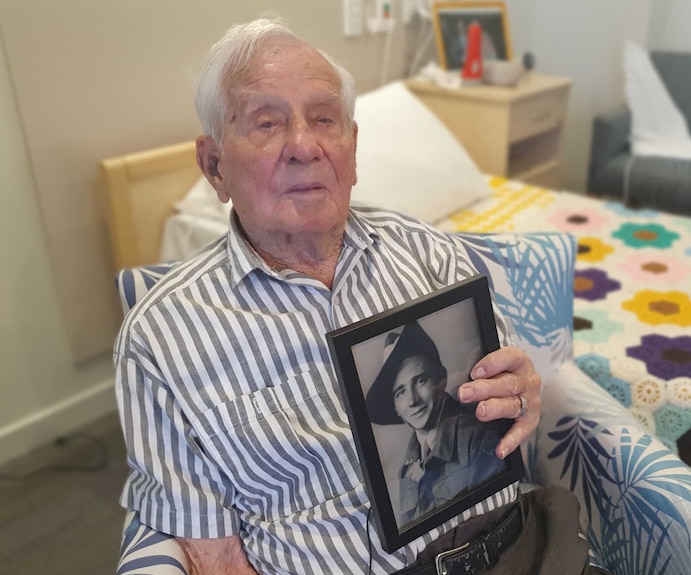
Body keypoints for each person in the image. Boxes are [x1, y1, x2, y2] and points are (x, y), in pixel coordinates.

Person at [115, 17, 591, 575]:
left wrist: (523, 392)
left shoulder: (431, 254)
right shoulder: (162, 337)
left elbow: (510, 403)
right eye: (267, 123)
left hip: (515, 550)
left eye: (324, 119)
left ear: (353, 148)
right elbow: (214, 558)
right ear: (214, 166)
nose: (304, 145)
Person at [365, 322, 508, 525]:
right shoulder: (407, 468)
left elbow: (492, 515)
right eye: (401, 392)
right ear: (396, 408)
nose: (412, 400)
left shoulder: (477, 434)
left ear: (441, 378)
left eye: (420, 381)